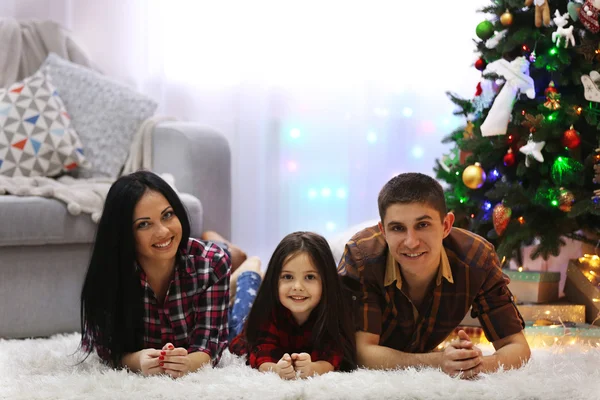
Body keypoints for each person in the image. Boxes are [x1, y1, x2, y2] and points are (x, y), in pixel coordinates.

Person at [337, 173, 530, 378]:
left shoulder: (477, 258)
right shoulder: (362, 257)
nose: (411, 242)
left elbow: (517, 346)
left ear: (446, 225)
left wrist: (474, 364)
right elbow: (361, 353)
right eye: (397, 228)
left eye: (423, 225)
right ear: (383, 231)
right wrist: (438, 361)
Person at [80, 171, 262, 378]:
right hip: (206, 273)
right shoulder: (109, 273)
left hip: (211, 272)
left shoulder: (212, 262)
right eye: (144, 224)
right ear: (124, 234)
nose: (163, 231)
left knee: (239, 330)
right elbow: (105, 347)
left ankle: (249, 268)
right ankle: (229, 258)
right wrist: (137, 360)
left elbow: (210, 347)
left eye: (167, 215)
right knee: (225, 260)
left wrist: (188, 363)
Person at [230, 232, 357, 379]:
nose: (297, 286)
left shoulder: (333, 313)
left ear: (326, 281)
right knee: (237, 319)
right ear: (274, 280)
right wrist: (276, 369)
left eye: (310, 277)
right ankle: (249, 273)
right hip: (246, 322)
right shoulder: (266, 312)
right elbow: (261, 355)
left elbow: (332, 357)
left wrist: (313, 368)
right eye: (288, 277)